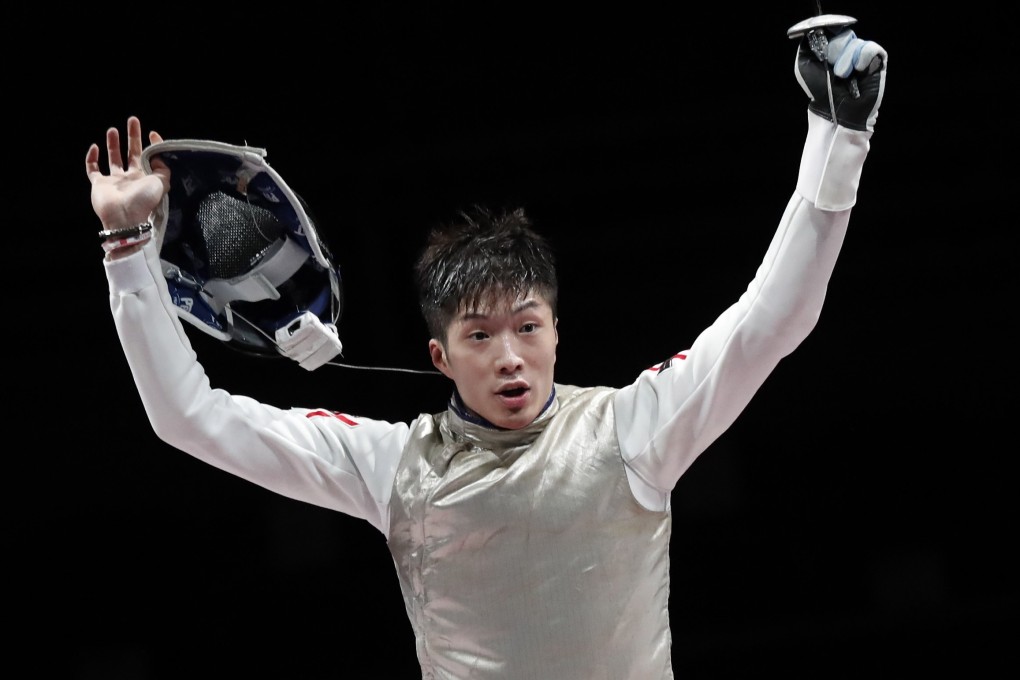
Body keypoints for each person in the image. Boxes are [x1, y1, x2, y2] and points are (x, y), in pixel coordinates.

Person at [85, 18, 887, 680]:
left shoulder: (630, 431)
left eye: (527, 328)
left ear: (557, 334)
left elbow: (770, 321)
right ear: (441, 357)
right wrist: (126, 245)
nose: (510, 356)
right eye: (479, 335)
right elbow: (190, 419)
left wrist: (838, 136)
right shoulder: (392, 468)